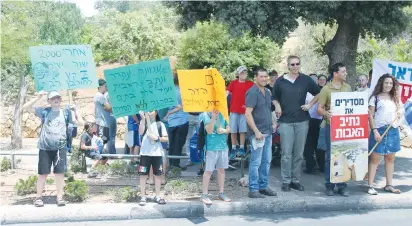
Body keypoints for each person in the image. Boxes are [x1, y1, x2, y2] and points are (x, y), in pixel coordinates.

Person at [272, 56, 320, 192]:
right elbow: (274, 97)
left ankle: (295, 180)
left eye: (297, 64)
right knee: (286, 153)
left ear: (300, 65)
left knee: (299, 154)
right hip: (286, 121)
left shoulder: (305, 80)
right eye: (292, 64)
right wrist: (277, 106)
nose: (295, 66)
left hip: (302, 121)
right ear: (288, 66)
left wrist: (310, 104)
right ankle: (286, 181)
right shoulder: (280, 81)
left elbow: (319, 92)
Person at [23, 91, 75, 207]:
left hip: (60, 148)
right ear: (49, 101)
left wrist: (74, 109)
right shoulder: (44, 111)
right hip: (45, 147)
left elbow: (77, 122)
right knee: (42, 173)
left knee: (59, 174)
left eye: (57, 98)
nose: (56, 99)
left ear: (60, 99)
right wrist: (38, 97)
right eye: (53, 98)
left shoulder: (66, 113)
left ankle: (60, 197)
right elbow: (26, 107)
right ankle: (38, 198)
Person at [317, 63, 352, 197]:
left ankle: (342, 185)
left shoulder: (348, 87)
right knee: (330, 157)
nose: (345, 74)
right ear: (335, 73)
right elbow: (319, 109)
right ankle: (329, 185)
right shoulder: (326, 89)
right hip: (331, 127)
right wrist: (326, 113)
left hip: (345, 127)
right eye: (343, 71)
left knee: (343, 156)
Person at [367, 74, 403, 195]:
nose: (388, 85)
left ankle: (389, 185)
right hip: (379, 130)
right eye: (386, 83)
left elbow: (399, 113)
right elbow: (370, 116)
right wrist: (375, 130)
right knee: (375, 159)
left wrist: (399, 113)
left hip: (392, 130)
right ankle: (371, 185)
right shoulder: (375, 98)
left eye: (391, 83)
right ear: (381, 83)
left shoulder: (395, 98)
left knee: (390, 158)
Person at [245, 68, 277, 198]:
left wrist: (273, 122)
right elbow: (247, 114)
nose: (264, 79)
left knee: (266, 161)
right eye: (261, 77)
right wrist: (256, 132)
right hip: (257, 134)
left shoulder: (268, 92)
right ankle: (253, 189)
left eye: (265, 77)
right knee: (256, 162)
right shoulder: (252, 92)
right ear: (255, 78)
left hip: (268, 132)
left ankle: (263, 186)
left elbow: (268, 110)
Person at [199, 110, 232, 204]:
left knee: (221, 170)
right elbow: (208, 131)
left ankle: (221, 193)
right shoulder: (205, 115)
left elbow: (229, 129)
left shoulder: (224, 113)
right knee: (208, 171)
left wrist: (224, 130)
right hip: (211, 147)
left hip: (223, 147)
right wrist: (213, 118)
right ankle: (204, 194)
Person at [138, 110, 168, 206]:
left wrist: (157, 138)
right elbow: (140, 132)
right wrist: (143, 119)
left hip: (157, 154)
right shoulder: (144, 123)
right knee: (143, 174)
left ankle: (158, 195)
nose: (149, 112)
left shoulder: (160, 125)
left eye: (151, 110)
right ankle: (143, 195)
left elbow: (166, 138)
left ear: (156, 112)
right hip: (144, 154)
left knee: (158, 175)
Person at [226, 66, 254, 159]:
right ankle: (233, 148)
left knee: (242, 130)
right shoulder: (233, 83)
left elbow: (256, 92)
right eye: (242, 73)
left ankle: (241, 148)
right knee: (233, 130)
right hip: (234, 110)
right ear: (238, 74)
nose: (244, 74)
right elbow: (226, 93)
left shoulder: (250, 83)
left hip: (244, 111)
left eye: (245, 72)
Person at [164, 75, 189, 171]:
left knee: (172, 143)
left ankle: (171, 164)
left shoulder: (168, 92)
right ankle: (176, 165)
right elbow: (183, 106)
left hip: (171, 122)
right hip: (182, 121)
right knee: (179, 144)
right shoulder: (183, 92)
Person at [303, 92, 323, 174]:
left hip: (320, 120)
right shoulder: (306, 93)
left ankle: (321, 166)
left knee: (319, 145)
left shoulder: (324, 92)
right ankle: (310, 166)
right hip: (309, 120)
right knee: (309, 145)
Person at [94, 79, 112, 153]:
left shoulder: (99, 96)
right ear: (101, 86)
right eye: (105, 86)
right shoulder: (100, 96)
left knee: (103, 141)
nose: (107, 87)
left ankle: (100, 160)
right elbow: (109, 108)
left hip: (102, 122)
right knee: (102, 141)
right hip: (103, 123)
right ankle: (98, 160)